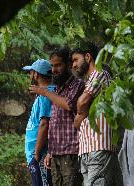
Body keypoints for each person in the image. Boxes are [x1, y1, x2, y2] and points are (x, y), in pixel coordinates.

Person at [29, 47, 84, 186]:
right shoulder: (58, 88)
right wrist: (50, 152)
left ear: (69, 64)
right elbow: (55, 123)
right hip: (56, 154)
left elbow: (68, 104)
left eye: (58, 65)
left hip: (71, 151)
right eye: (52, 66)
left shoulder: (77, 85)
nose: (54, 70)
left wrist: (45, 92)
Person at [71, 42, 123, 186]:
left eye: (76, 60)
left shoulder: (100, 74)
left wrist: (83, 108)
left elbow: (81, 104)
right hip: (89, 149)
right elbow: (76, 121)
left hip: (98, 147)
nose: (73, 65)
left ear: (88, 57)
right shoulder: (89, 81)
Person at [22, 59, 54, 186]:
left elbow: (44, 124)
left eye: (31, 72)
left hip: (40, 155)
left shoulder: (46, 94)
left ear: (37, 74)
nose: (30, 75)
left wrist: (36, 154)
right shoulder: (43, 93)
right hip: (36, 154)